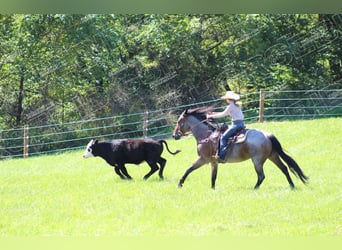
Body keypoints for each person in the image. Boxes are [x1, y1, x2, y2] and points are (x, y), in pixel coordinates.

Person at [206, 91, 244, 160]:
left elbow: (223, 114)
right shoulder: (235, 104)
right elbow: (226, 113)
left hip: (236, 125)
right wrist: (213, 113)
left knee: (223, 137)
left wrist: (210, 116)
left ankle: (222, 155)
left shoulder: (231, 105)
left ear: (228, 99)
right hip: (240, 123)